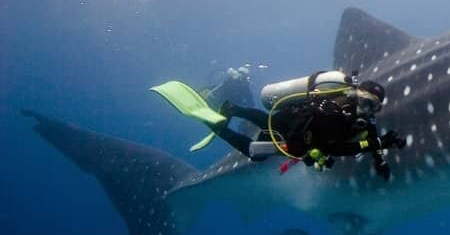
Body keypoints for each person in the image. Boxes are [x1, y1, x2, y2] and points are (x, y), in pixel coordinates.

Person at [150, 75, 406, 179]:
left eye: (373, 107)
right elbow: (335, 147)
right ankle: (218, 126)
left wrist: (380, 160)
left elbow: (367, 139)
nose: (366, 111)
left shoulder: (362, 121)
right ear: (355, 95)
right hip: (298, 133)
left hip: (296, 122)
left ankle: (234, 109)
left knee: (264, 120)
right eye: (364, 103)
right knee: (255, 151)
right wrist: (379, 143)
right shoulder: (335, 111)